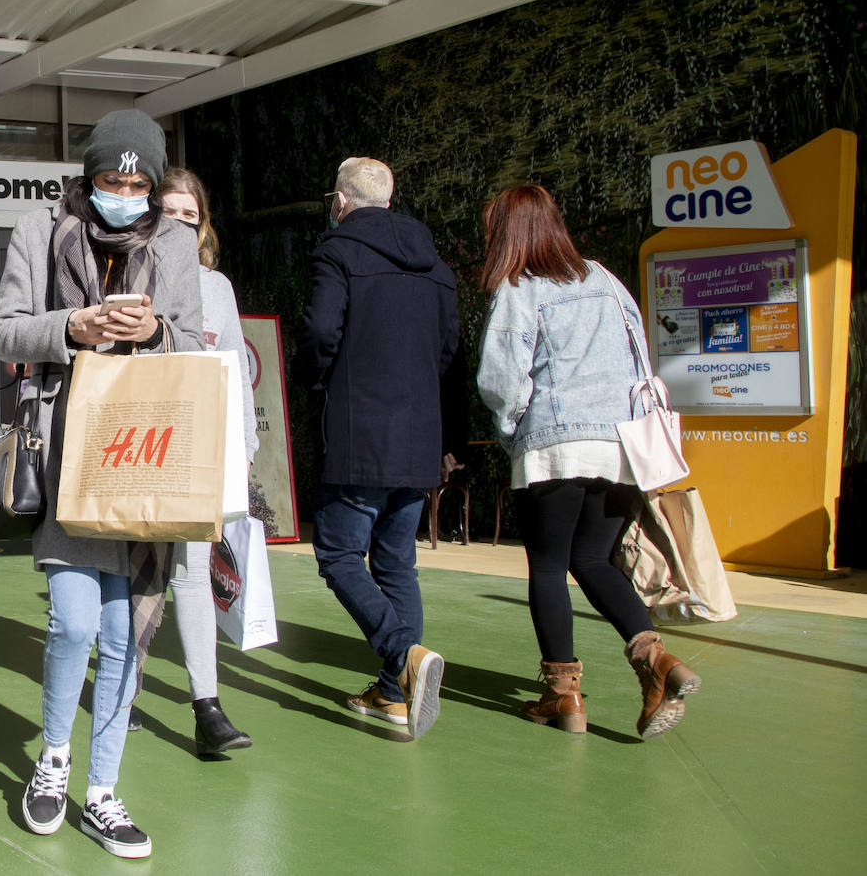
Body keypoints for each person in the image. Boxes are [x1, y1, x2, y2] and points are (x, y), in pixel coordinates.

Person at [0, 109, 204, 859]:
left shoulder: (176, 243)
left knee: (124, 635)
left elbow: (196, 342)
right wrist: (72, 327)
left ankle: (104, 794)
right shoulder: (39, 229)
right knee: (75, 622)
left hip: (146, 455)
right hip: (68, 452)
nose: (125, 192)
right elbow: (4, 331)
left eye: (138, 181)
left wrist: (151, 333)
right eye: (111, 179)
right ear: (89, 176)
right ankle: (53, 761)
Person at [474, 184, 701, 739]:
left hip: (556, 443)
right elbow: (640, 360)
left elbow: (502, 380)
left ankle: (562, 694)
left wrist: (514, 436)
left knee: (549, 566)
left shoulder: (517, 287)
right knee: (594, 560)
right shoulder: (605, 280)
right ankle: (656, 660)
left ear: (508, 232)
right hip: (621, 446)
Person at [294, 157, 459, 740]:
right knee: (396, 563)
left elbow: (318, 331)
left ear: (340, 201)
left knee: (338, 556)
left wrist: (316, 382)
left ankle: (403, 658)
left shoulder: (337, 251)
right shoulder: (437, 267)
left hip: (358, 432)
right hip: (417, 439)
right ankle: (393, 698)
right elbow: (447, 350)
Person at [125, 166, 257, 757]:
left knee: (192, 574)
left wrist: (245, 449)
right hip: (141, 445)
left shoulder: (218, 286)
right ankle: (122, 690)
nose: (180, 223)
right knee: (138, 575)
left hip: (201, 445)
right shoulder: (132, 274)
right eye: (170, 212)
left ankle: (208, 707)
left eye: (190, 215)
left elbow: (234, 371)